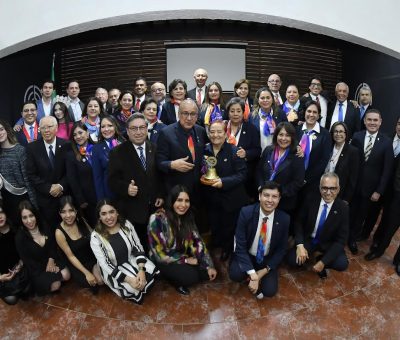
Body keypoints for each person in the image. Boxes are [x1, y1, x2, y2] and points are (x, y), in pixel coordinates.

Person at [108, 113, 164, 250]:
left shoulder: (155, 148)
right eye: (134, 128)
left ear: (146, 129)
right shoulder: (117, 152)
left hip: (154, 211)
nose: (138, 132)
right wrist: (126, 188)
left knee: (157, 247)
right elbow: (112, 181)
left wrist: (161, 195)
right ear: (127, 131)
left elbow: (161, 176)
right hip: (132, 212)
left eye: (142, 127)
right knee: (138, 250)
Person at [148, 185, 217, 295]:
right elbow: (159, 254)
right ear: (172, 201)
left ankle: (184, 272)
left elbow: (197, 242)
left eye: (187, 201)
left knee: (205, 273)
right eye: (179, 200)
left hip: (180, 254)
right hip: (163, 259)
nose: (183, 205)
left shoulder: (188, 217)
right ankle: (169, 278)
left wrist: (209, 265)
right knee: (190, 278)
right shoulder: (157, 219)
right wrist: (185, 260)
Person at [229, 182, 289, 299]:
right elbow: (239, 246)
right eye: (266, 195)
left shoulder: (284, 219)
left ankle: (253, 277)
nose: (270, 200)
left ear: (279, 199)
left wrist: (263, 272)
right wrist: (254, 275)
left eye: (274, 196)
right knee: (235, 274)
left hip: (266, 259)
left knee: (270, 292)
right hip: (247, 255)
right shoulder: (246, 213)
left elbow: (281, 250)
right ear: (259, 196)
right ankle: (249, 276)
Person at [90, 200, 158, 304]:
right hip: (113, 267)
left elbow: (137, 247)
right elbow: (106, 264)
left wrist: (141, 270)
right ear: (99, 217)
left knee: (150, 271)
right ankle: (97, 269)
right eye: (104, 214)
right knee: (134, 289)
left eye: (111, 212)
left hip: (130, 258)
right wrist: (129, 279)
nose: (109, 217)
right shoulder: (95, 237)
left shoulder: (126, 224)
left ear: (117, 212)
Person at [348, 109, 394, 254]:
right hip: (353, 186)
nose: (372, 123)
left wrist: (379, 191)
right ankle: (341, 236)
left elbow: (387, 170)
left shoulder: (387, 143)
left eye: (375, 120)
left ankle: (352, 239)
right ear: (364, 121)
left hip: (370, 190)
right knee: (348, 212)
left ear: (380, 122)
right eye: (369, 119)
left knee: (361, 216)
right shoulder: (357, 137)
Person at [287, 173, 349, 279]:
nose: (328, 192)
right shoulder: (310, 199)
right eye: (324, 188)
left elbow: (341, 240)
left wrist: (323, 262)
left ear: (338, 189)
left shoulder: (343, 208)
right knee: (292, 260)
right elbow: (298, 222)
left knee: (342, 264)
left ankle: (320, 258)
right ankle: (306, 253)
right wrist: (300, 245)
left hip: (328, 243)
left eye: (332, 188)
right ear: (320, 188)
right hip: (309, 239)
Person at [202, 120, 248, 260]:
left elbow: (242, 175)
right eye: (212, 132)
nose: (216, 135)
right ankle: (217, 243)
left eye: (219, 132)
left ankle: (227, 249)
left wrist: (224, 182)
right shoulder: (204, 149)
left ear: (225, 133)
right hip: (211, 197)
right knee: (215, 222)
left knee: (229, 226)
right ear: (209, 134)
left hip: (231, 198)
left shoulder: (235, 151)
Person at [15, 200, 70, 295]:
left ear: (35, 215)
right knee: (56, 284)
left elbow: (53, 245)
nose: (29, 221)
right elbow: (29, 262)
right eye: (24, 217)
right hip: (37, 269)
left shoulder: (44, 225)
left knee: (66, 275)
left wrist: (51, 259)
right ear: (20, 219)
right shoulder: (19, 238)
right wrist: (49, 268)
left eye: (31, 216)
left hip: (51, 259)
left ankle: (55, 279)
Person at [156, 99, 207, 198]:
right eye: (185, 113)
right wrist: (172, 164)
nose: (189, 118)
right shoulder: (166, 133)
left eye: (193, 114)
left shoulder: (201, 131)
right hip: (177, 191)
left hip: (199, 190)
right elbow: (159, 162)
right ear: (179, 114)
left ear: (197, 116)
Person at [26, 116, 68, 229]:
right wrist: (49, 188)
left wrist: (60, 186)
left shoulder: (66, 145)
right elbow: (31, 174)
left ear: (56, 128)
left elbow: (71, 171)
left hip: (66, 198)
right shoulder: (32, 148)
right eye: (43, 128)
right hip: (46, 201)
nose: (46, 130)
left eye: (49, 127)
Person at [55, 196, 102, 290]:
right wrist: (87, 273)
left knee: (101, 281)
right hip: (77, 264)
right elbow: (71, 256)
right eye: (63, 212)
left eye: (71, 210)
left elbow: (95, 237)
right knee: (92, 284)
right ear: (59, 213)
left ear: (76, 211)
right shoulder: (59, 233)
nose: (68, 215)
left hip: (90, 258)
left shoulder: (81, 221)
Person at [257, 122, 304, 215]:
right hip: (264, 199)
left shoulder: (296, 155)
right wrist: (261, 187)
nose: (283, 138)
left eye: (287, 135)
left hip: (284, 204)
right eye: (281, 134)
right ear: (276, 136)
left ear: (292, 138)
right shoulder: (268, 150)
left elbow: (297, 182)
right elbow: (259, 171)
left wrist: (277, 194)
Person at [0, 119, 37, 225]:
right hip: (6, 201)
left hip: (23, 199)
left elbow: (28, 181)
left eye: (1, 129)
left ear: (6, 130)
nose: (0, 133)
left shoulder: (20, 150)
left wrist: (34, 204)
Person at [225, 97, 261, 199]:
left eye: (238, 111)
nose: (235, 114)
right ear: (228, 113)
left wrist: (246, 154)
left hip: (244, 175)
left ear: (243, 112)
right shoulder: (222, 127)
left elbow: (258, 150)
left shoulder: (251, 128)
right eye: (232, 111)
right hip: (224, 174)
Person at [65, 122, 97, 227]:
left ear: (87, 133)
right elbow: (72, 180)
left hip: (103, 194)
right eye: (75, 135)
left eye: (80, 133)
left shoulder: (97, 148)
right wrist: (81, 200)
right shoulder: (71, 156)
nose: (78, 136)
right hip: (88, 200)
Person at [296, 100, 331, 197]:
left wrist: (306, 179)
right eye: (309, 111)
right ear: (304, 112)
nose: (311, 114)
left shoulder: (325, 135)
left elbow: (323, 161)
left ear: (319, 115)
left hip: (312, 183)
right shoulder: (296, 130)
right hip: (293, 180)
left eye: (315, 112)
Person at [0, 202, 30, 305]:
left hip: (21, 267)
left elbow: (26, 250)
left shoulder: (15, 228)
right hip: (5, 275)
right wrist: (1, 277)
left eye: (1, 212)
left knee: (27, 292)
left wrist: (21, 264)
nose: (0, 217)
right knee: (12, 300)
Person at [92, 115, 125, 201]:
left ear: (115, 126)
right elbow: (97, 177)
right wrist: (102, 201)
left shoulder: (124, 144)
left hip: (126, 194)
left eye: (110, 126)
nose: (106, 129)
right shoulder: (96, 148)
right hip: (108, 195)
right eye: (103, 127)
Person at [325, 122, 359, 204]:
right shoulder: (327, 147)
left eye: (341, 131)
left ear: (346, 133)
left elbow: (353, 178)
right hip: (323, 189)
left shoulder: (353, 151)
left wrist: (346, 198)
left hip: (339, 194)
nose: (338, 134)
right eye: (335, 131)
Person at [249, 87, 287, 152]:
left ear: (272, 99)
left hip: (276, 153)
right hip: (258, 154)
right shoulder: (252, 116)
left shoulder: (280, 114)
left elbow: (287, 132)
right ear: (258, 100)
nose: (265, 100)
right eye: (262, 98)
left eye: (268, 97)